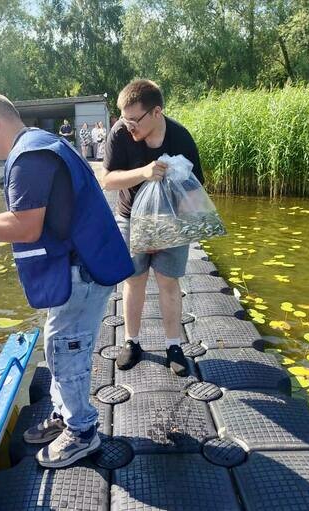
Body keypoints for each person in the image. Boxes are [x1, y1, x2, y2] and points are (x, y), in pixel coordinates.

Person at [0, 93, 134, 468]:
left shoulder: (29, 157)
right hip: (79, 264)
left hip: (82, 270)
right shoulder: (40, 144)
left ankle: (82, 432)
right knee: (61, 344)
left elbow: (25, 227)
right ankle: (64, 413)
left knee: (64, 348)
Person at [101, 79, 204, 375]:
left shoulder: (181, 139)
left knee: (168, 282)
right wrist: (144, 173)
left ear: (156, 112)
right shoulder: (120, 134)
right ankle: (132, 342)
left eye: (134, 120)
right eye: (124, 118)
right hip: (131, 217)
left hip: (171, 220)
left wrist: (169, 232)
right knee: (134, 280)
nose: (128, 125)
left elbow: (194, 192)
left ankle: (173, 345)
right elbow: (107, 180)